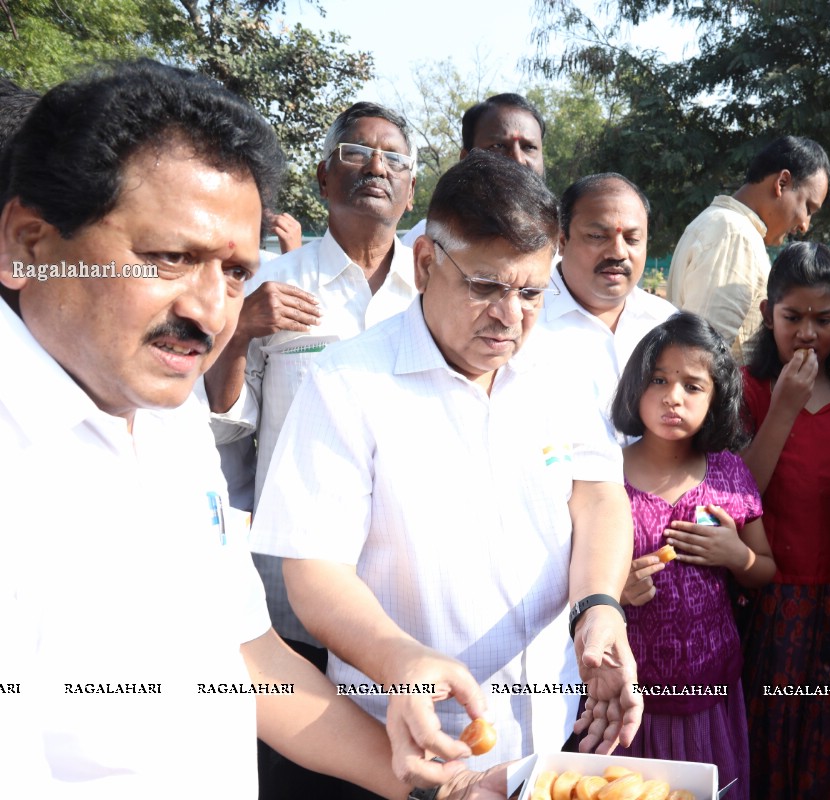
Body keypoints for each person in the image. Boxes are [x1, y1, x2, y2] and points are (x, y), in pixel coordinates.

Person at [0, 59, 503, 800]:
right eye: (169, 257)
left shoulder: (172, 421)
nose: (209, 311)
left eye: (234, 271)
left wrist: (442, 784)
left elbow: (246, 658)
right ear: (29, 246)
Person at [250, 152, 643, 783]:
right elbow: (314, 572)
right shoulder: (347, 383)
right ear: (427, 262)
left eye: (532, 292)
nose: (510, 316)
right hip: (400, 753)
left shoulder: (570, 368)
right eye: (486, 286)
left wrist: (598, 606)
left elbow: (597, 498)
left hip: (549, 737)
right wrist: (399, 656)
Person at [205, 100, 419, 655]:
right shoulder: (267, 285)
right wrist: (238, 333)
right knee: (293, 732)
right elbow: (227, 426)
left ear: (411, 191)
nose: (376, 167)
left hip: (409, 585)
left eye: (393, 158)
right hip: (292, 585)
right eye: (356, 153)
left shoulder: (433, 294)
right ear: (324, 175)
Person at [738, 242, 830, 799]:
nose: (806, 334)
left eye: (823, 320)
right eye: (792, 318)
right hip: (770, 594)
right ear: (766, 316)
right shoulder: (747, 390)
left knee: (828, 731)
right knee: (768, 728)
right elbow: (740, 493)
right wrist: (783, 406)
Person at [610, 312, 774, 799]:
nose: (672, 396)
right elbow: (572, 574)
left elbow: (766, 569)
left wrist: (736, 556)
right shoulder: (604, 475)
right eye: (658, 379)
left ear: (717, 399)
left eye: (692, 385)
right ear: (635, 385)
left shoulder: (728, 474)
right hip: (630, 694)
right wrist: (614, 593)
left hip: (710, 691)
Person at [665, 135, 830, 362]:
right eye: (808, 208)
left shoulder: (725, 226)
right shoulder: (734, 233)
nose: (805, 225)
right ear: (782, 183)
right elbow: (702, 357)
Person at [539, 173, 676, 431]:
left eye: (632, 239)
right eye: (597, 236)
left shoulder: (667, 324)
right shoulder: (523, 321)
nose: (618, 252)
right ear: (562, 241)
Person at [401, 92, 545, 247]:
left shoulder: (562, 245)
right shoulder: (428, 237)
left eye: (529, 147)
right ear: (465, 159)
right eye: (499, 146)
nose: (518, 159)